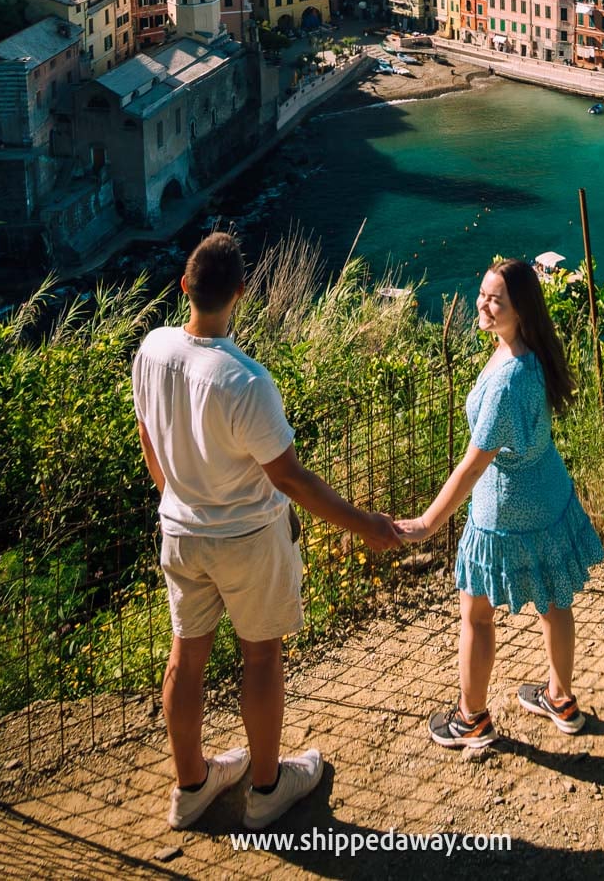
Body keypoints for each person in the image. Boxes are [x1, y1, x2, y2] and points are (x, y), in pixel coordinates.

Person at [133, 232, 399, 831]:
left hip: (180, 530)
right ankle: (266, 788)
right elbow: (291, 480)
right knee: (261, 658)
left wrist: (176, 496)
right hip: (248, 538)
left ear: (184, 286)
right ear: (241, 294)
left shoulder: (151, 349)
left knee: (187, 654)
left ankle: (191, 786)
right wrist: (368, 526)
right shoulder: (245, 381)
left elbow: (149, 435)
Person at [396, 259, 604, 747]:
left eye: (497, 300)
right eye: (483, 293)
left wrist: (427, 523)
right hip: (548, 494)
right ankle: (561, 699)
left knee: (476, 615)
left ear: (520, 309)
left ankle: (471, 719)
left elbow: (473, 465)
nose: (484, 305)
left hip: (505, 511)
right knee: (555, 602)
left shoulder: (508, 381)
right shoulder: (529, 352)